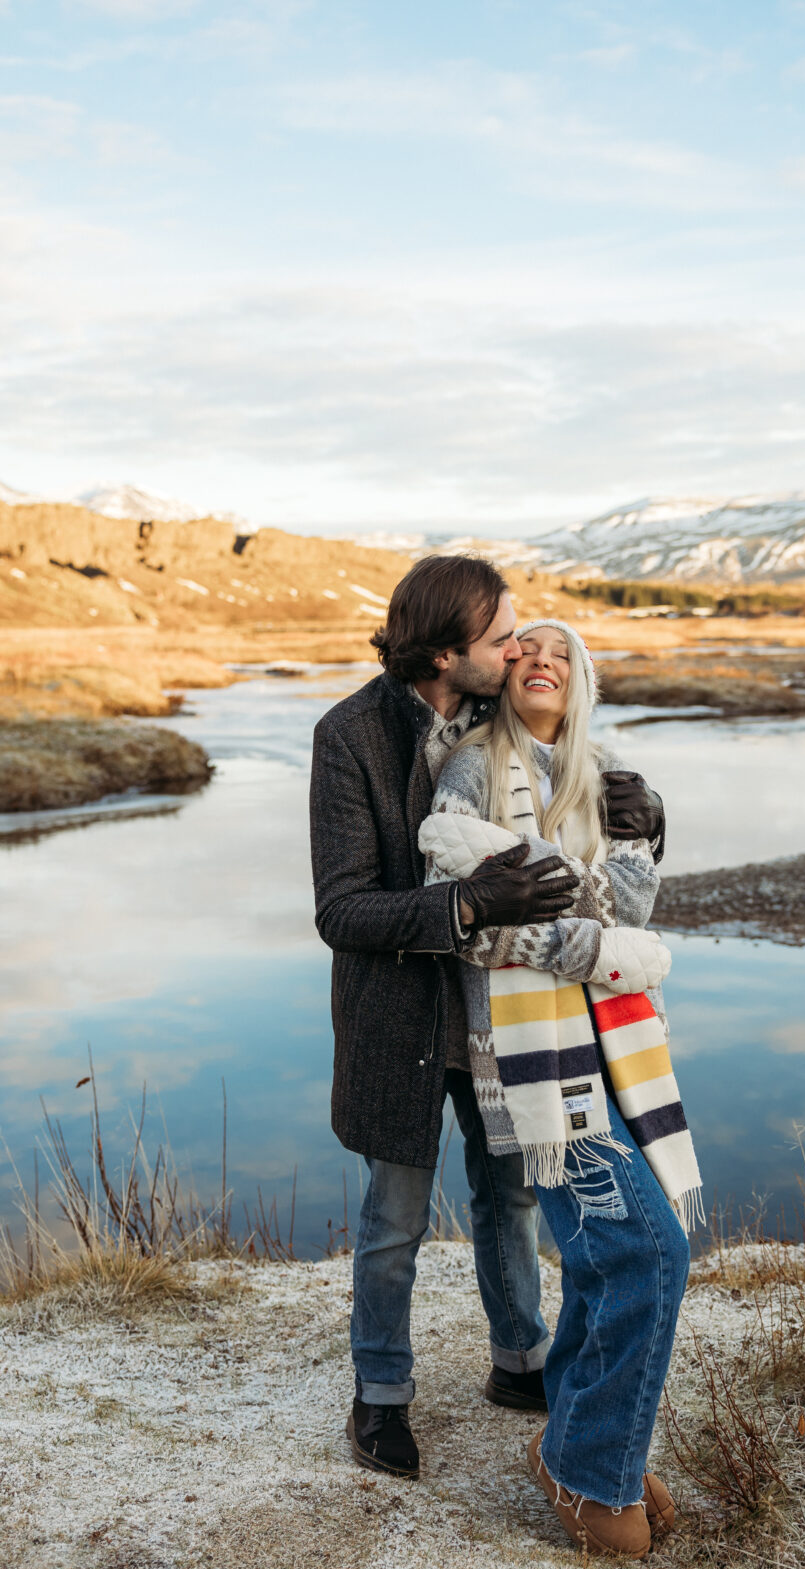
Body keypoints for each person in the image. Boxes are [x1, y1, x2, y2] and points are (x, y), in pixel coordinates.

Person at [309, 556, 666, 1481]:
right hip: (399, 1015)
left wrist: (649, 816)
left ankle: (518, 1359)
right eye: (503, 637)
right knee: (395, 1215)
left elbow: (568, 778)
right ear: (444, 651)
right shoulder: (349, 735)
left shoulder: (491, 708)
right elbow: (341, 910)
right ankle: (380, 1392)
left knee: (509, 1194)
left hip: (499, 1011)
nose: (517, 651)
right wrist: (467, 903)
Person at [419, 617, 702, 1559]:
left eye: (561, 654)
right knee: (644, 1253)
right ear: (505, 675)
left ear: (582, 681)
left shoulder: (606, 773)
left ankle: (574, 1450)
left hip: (615, 1049)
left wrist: (636, 841)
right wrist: (605, 945)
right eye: (525, 650)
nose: (541, 660)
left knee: (609, 1257)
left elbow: (633, 903)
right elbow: (478, 926)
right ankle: (587, 1467)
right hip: (530, 1059)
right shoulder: (470, 771)